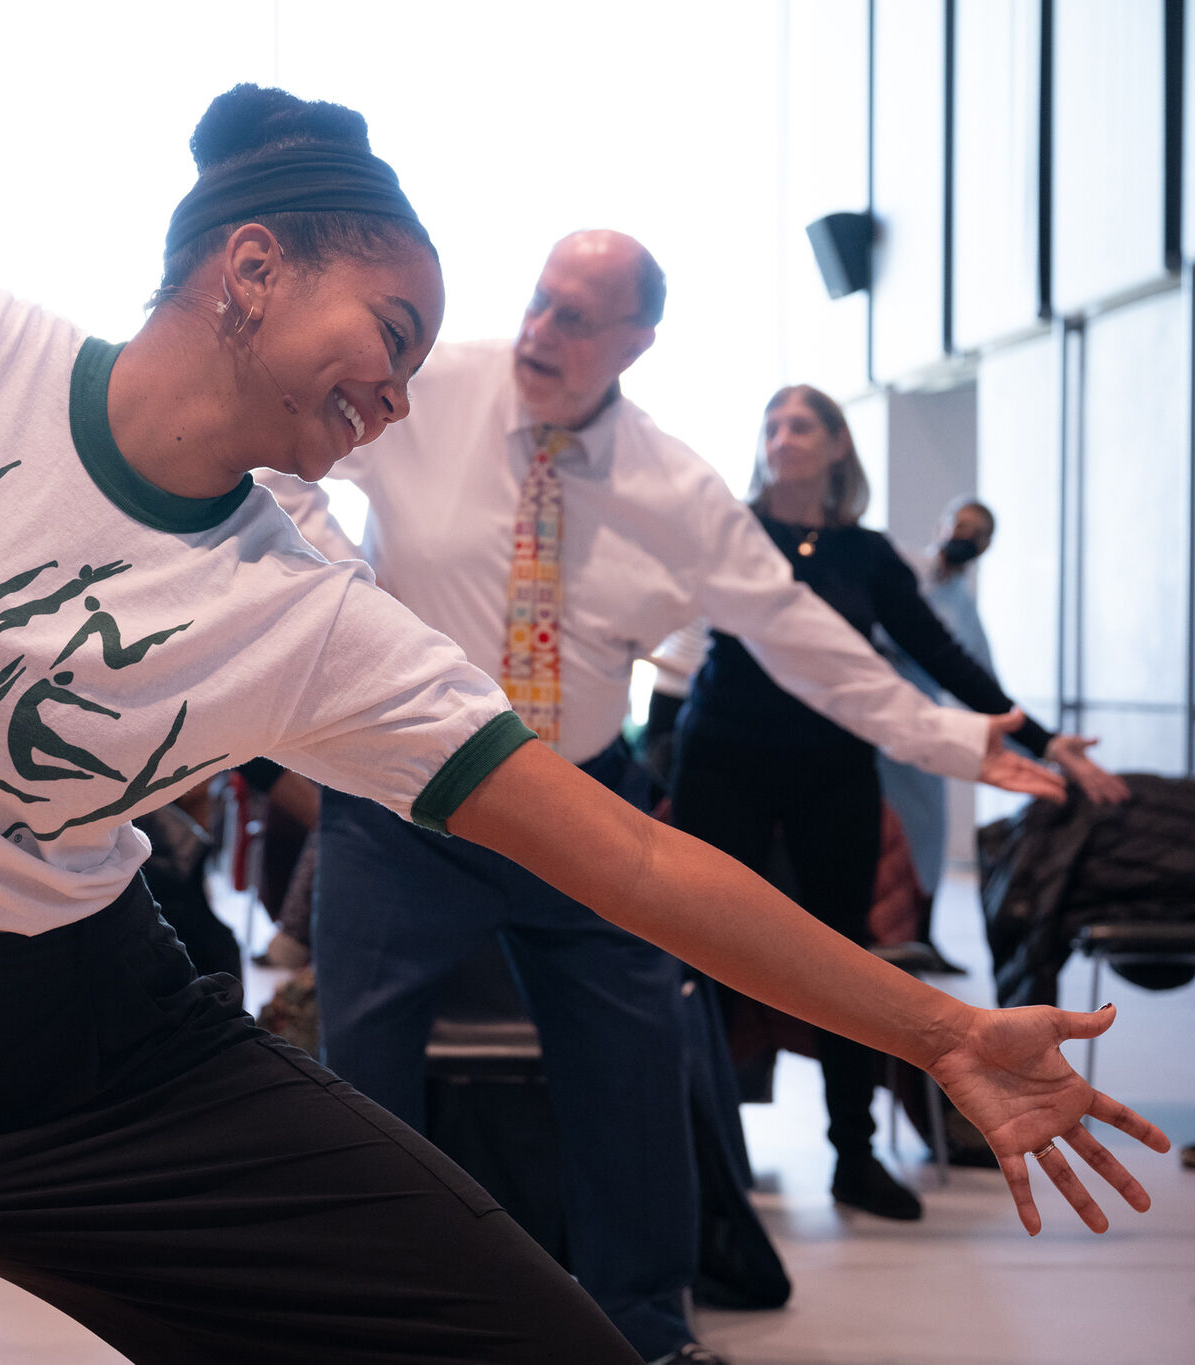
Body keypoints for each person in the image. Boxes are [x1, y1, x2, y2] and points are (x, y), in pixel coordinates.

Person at [0, 87, 1166, 1365]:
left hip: (112, 1070)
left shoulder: (303, 615)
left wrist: (936, 1029)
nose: (400, 382)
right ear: (251, 264)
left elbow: (631, 854)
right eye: (391, 318)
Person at [256, 229, 1113, 1362]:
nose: (538, 331)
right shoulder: (430, 388)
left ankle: (645, 1332)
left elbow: (801, 638)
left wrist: (948, 739)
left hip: (579, 807)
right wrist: (336, 585)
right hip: (403, 801)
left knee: (631, 1071)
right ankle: (385, 1326)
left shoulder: (671, 486)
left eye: (574, 317)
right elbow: (273, 459)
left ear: (634, 341)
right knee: (364, 1075)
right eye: (538, 301)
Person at [670, 388, 1131, 1221]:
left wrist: (1044, 739)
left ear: (839, 445)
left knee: (846, 961)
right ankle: (689, 1155)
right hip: (722, 764)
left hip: (833, 771)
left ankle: (853, 1155)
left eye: (800, 425)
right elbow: (667, 648)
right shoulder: (731, 532)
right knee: (689, 955)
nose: (781, 439)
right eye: (771, 426)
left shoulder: (869, 555)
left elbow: (942, 655)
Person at [874, 497, 1130, 969]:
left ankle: (918, 941)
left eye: (979, 532)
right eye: (962, 525)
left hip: (919, 727)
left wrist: (1044, 746)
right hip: (857, 720)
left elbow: (983, 687)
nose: (967, 536)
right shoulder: (895, 565)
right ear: (941, 524)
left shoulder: (962, 611)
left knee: (927, 831)